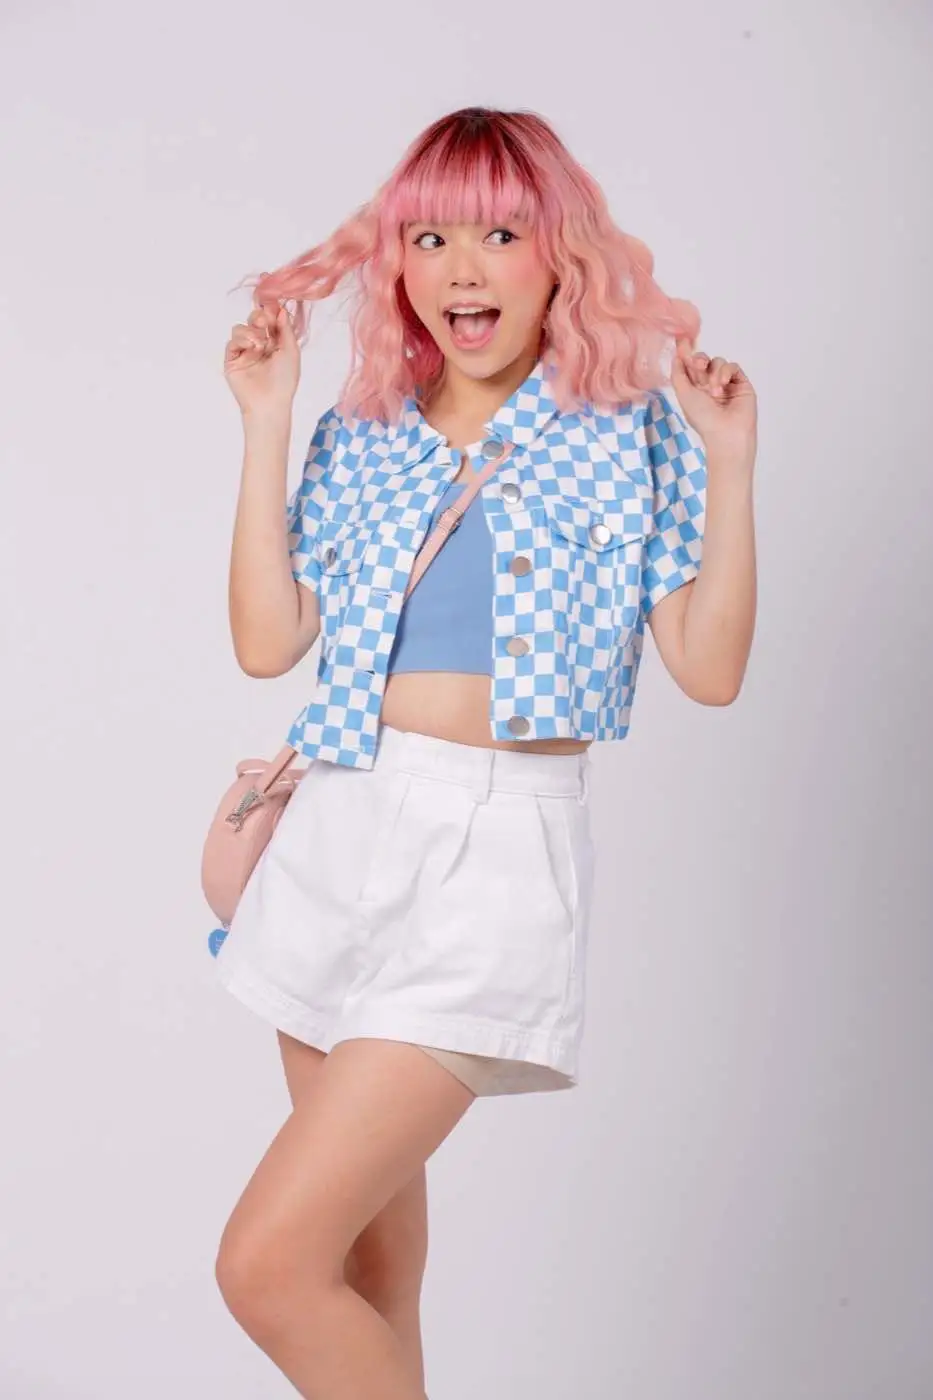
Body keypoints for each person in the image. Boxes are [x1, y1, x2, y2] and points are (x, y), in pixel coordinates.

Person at [210, 106, 758, 1400]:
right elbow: (267, 642)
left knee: (267, 1268)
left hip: (496, 856)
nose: (463, 268)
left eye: (502, 236)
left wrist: (731, 467)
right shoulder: (362, 432)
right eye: (431, 238)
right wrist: (265, 422)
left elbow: (710, 669)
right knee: (367, 1273)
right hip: (338, 834)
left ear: (559, 255)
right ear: (398, 262)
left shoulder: (627, 433)